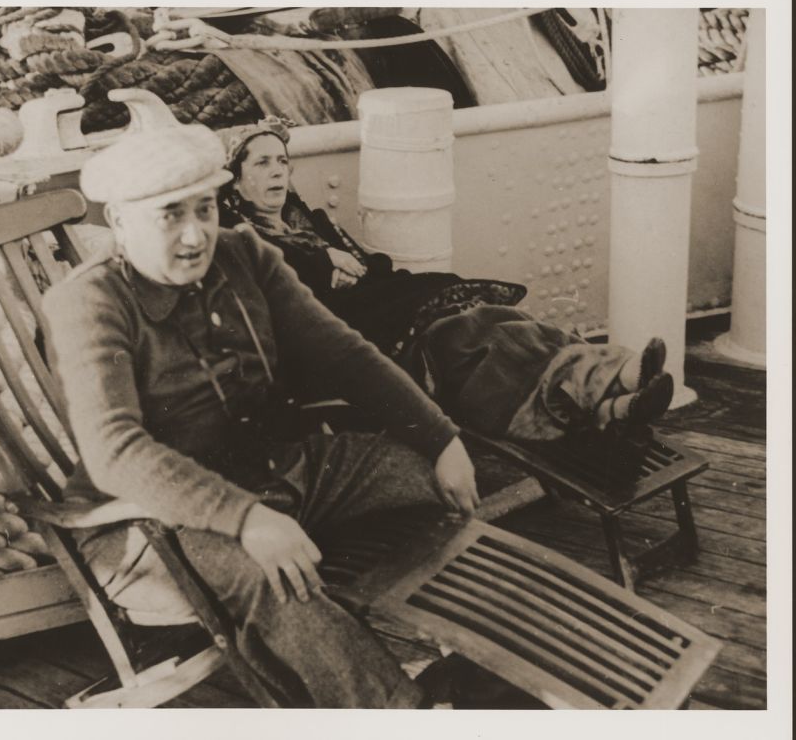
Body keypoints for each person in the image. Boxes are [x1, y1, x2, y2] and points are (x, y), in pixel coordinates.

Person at [42, 122, 482, 708]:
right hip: (153, 523)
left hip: (271, 471)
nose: (196, 234)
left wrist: (441, 438)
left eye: (205, 209)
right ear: (120, 224)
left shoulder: (242, 254)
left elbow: (343, 352)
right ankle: (396, 709)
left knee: (425, 483)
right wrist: (245, 518)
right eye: (170, 215)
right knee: (275, 577)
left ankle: (467, 663)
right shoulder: (90, 301)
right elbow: (114, 451)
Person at [217, 118, 674, 440]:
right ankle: (610, 378)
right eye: (261, 164)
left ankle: (609, 395)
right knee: (470, 334)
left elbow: (372, 266)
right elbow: (292, 295)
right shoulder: (245, 240)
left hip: (380, 305)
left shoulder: (310, 222)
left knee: (495, 321)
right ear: (235, 182)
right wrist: (325, 265)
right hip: (348, 333)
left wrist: (338, 260)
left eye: (281, 161)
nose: (277, 170)